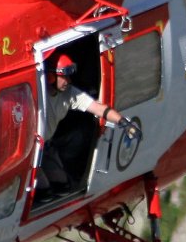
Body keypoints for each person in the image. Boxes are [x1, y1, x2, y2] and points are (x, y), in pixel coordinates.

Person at [40, 53, 124, 194]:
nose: (68, 80)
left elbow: (98, 108)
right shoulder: (38, 95)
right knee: (43, 189)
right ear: (50, 76)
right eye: (64, 76)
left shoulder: (69, 94)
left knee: (62, 186)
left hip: (46, 147)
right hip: (32, 151)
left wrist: (122, 121)